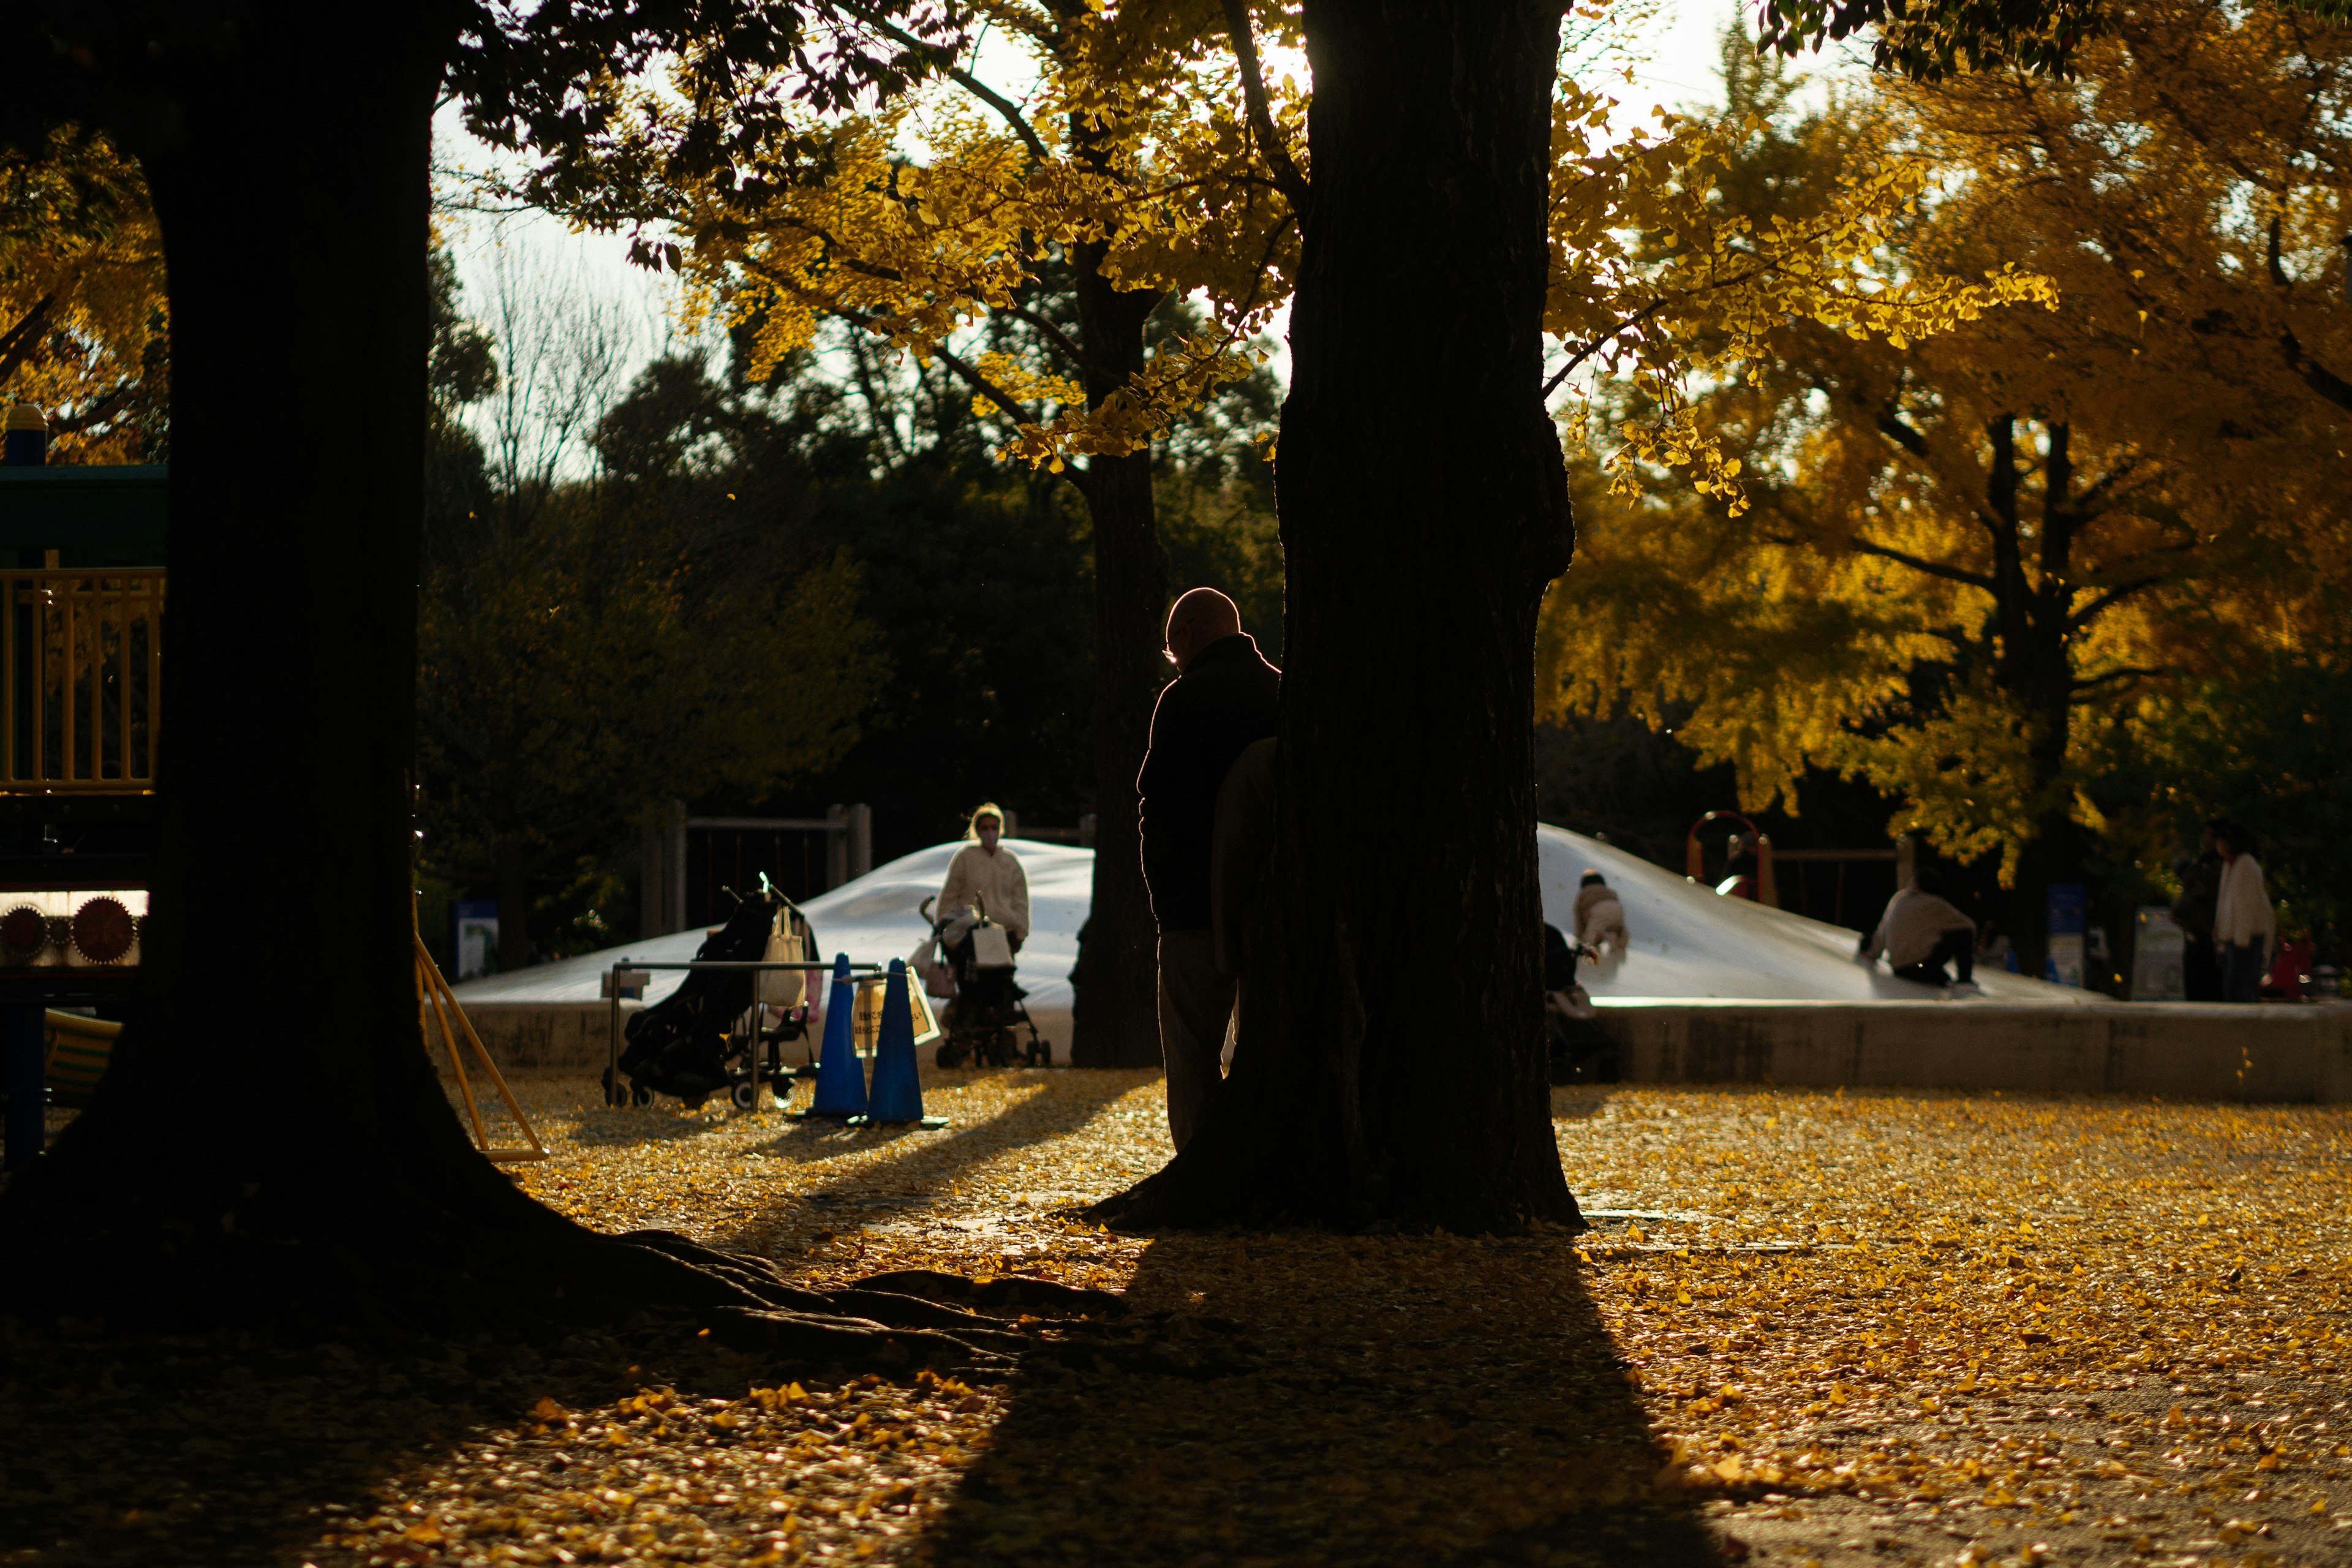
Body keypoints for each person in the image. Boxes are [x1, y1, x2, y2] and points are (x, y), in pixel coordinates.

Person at [1137, 587, 1280, 1150]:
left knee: (1192, 1048)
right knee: (1267, 1046)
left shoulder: (1184, 699)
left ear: (1187, 635)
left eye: (1173, 649)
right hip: (1275, 910)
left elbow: (1159, 806)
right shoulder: (1284, 692)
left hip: (1194, 907)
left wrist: (1166, 902)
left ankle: (1199, 1163)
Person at [1858, 867, 1979, 989]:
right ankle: (1965, 980)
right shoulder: (1934, 903)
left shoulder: (1899, 898)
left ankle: (1939, 976)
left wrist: (1871, 954)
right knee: (1963, 932)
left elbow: (1881, 933)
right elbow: (1968, 925)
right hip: (1921, 967)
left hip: (1900, 969)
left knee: (1936, 973)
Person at [937, 802, 1030, 952]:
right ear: (977, 830)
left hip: (1005, 933)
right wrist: (944, 926)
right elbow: (951, 895)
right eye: (985, 828)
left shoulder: (1010, 862)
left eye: (994, 827)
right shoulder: (965, 858)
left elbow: (1020, 901)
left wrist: (1020, 932)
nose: (990, 832)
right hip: (968, 934)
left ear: (1000, 830)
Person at [2211, 819, 2274, 1005]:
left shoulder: (2246, 865)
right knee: (2233, 990)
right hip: (2234, 939)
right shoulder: (2230, 865)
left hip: (2245, 940)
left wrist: (2242, 939)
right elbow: (2225, 901)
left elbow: (2247, 905)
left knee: (2239, 990)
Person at [2172, 828, 2223, 1001]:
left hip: (2204, 931)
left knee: (2201, 980)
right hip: (2199, 930)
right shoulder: (2207, 864)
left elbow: (2199, 894)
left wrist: (2178, 908)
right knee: (2197, 979)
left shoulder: (2213, 866)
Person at [1573, 870, 1628, 956]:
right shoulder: (1608, 890)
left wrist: (1580, 935)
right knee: (1617, 927)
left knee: (1588, 940)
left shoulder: (1584, 892)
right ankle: (1621, 936)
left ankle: (1607, 936)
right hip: (1618, 908)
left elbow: (1578, 915)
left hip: (1600, 909)